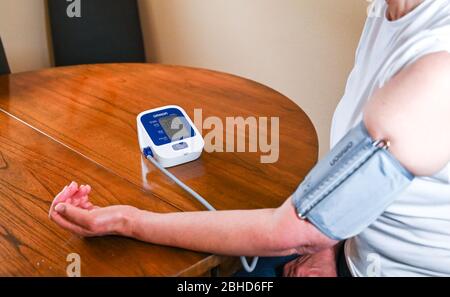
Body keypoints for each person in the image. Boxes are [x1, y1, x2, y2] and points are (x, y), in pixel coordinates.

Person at [49, 0, 450, 277]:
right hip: (347, 252)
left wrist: (126, 219)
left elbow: (290, 231)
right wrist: (327, 244)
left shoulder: (437, 68)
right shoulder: (390, 12)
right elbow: (346, 182)